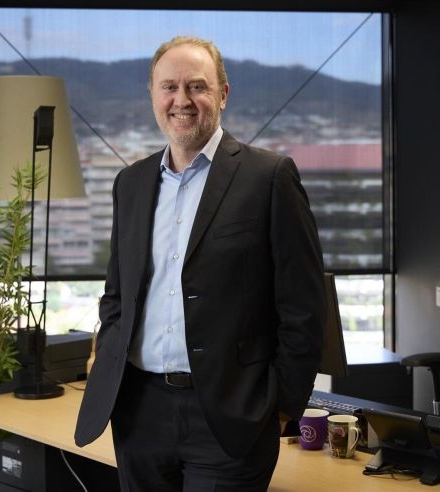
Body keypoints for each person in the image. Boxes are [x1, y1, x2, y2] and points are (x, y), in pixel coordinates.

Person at [75, 35, 326, 492]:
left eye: (197, 86)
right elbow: (117, 297)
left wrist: (282, 406)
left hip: (230, 417)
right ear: (152, 95)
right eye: (169, 87)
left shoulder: (269, 177)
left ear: (223, 94)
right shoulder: (130, 183)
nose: (182, 100)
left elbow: (303, 308)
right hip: (140, 414)